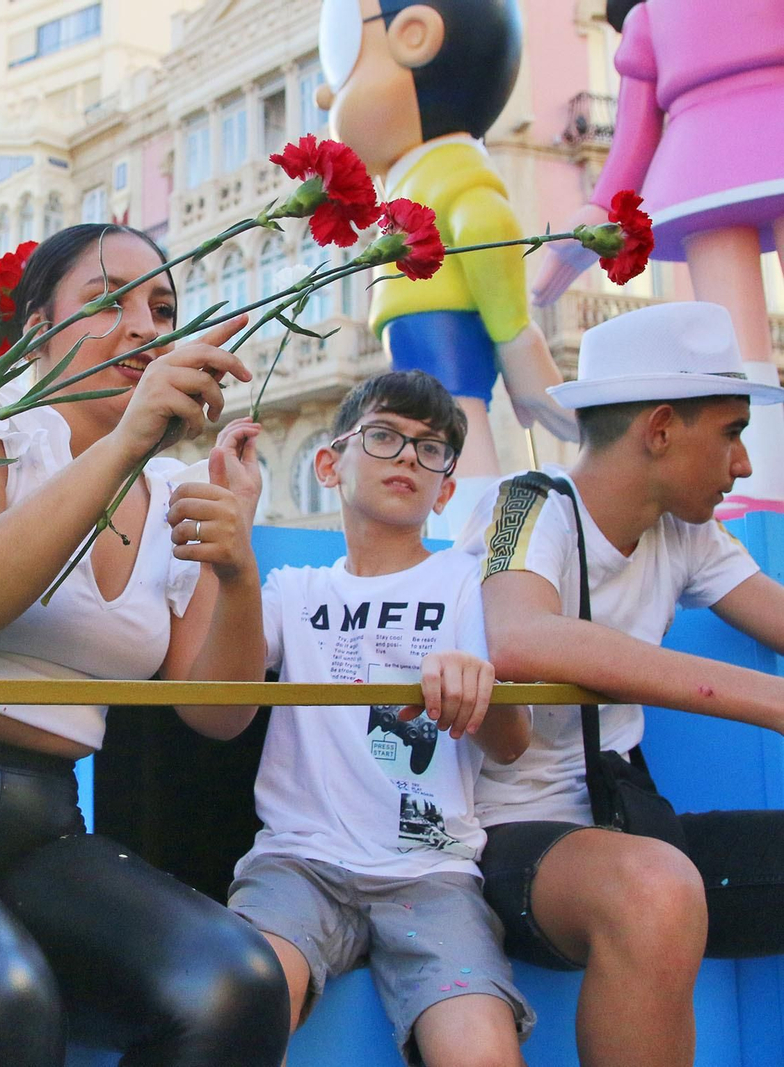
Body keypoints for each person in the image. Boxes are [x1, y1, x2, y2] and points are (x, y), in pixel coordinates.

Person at [0, 223, 290, 1067]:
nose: (146, 325)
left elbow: (214, 711)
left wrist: (238, 564)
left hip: (44, 827)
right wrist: (121, 445)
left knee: (237, 985)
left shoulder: (174, 489)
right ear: (36, 329)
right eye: (111, 298)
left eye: (164, 308)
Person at [461, 301, 784, 1067]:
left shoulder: (689, 532)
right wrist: (766, 702)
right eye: (733, 433)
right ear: (661, 428)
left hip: (629, 824)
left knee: (654, 874)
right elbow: (520, 635)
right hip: (500, 844)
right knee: (652, 885)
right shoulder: (524, 503)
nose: (744, 464)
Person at [226, 371, 533, 1067]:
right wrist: (235, 545)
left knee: (482, 1049)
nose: (407, 458)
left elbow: (514, 744)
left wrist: (477, 692)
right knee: (239, 1005)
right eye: (386, 436)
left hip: (433, 871)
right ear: (329, 463)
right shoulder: (293, 590)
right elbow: (225, 685)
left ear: (446, 489)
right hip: (297, 862)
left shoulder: (468, 582)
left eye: (430, 450)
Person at [314, 0, 578, 530]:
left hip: (446, 333)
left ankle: (476, 536)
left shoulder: (450, 168)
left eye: (340, 63)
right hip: (423, 339)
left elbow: (486, 226)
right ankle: (461, 526)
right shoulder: (419, 174)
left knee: (459, 428)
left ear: (414, 37)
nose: (325, 95)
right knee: (444, 431)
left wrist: (515, 337)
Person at [531, 0, 784, 511]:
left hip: (724, 143)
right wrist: (592, 218)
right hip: (700, 158)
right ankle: (761, 486)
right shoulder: (652, 16)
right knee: (739, 350)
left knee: (739, 346)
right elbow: (634, 131)